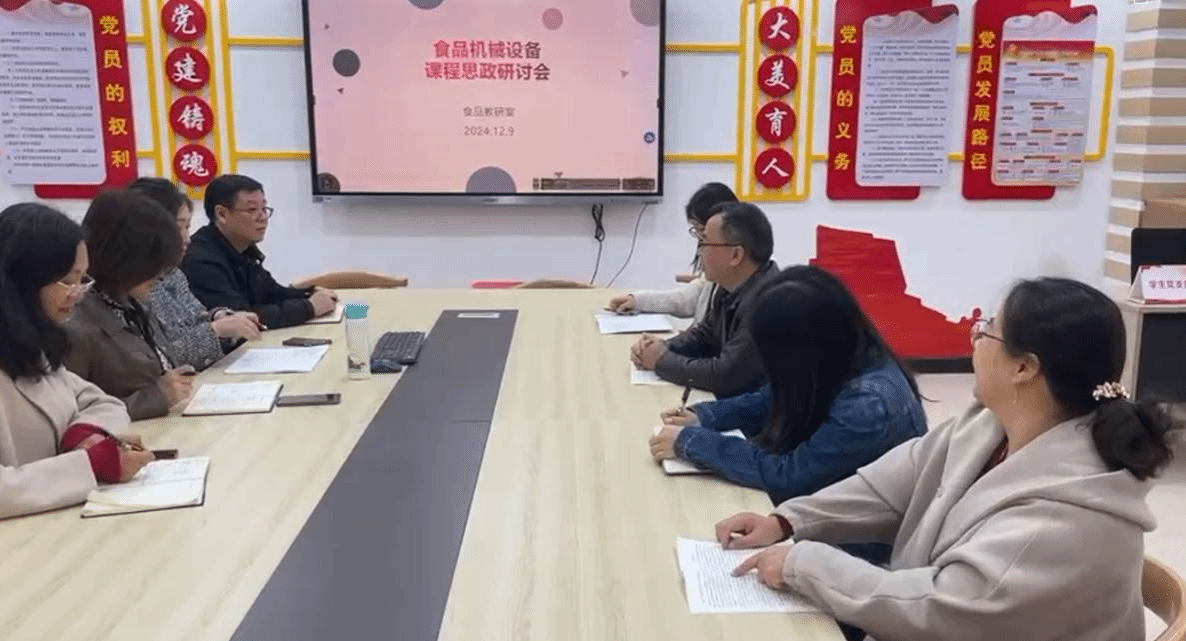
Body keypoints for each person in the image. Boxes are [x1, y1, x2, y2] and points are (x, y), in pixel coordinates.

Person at [716, 277, 1182, 641]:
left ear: (1024, 367)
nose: (974, 338)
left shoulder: (1065, 518)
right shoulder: (989, 426)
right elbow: (899, 479)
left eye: (987, 330)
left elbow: (941, 608)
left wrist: (804, 563)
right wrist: (789, 520)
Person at [649, 265, 927, 507]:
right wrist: (705, 416)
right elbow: (775, 396)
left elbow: (789, 476)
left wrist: (692, 442)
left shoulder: (866, 406)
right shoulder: (846, 353)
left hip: (854, 538)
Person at [0, 203, 155, 519]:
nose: (77, 293)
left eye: (82, 280)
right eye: (67, 280)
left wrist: (86, 436)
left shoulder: (33, 344)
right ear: (24, 278)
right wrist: (90, 464)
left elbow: (102, 402)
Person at [64, 190, 195, 421]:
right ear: (125, 259)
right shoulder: (74, 321)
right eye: (152, 264)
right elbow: (72, 416)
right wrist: (156, 397)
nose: (159, 275)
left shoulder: (133, 303)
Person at [631, 201, 779, 398]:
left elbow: (723, 375)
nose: (699, 251)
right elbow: (703, 337)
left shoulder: (768, 304)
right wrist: (661, 347)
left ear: (735, 255)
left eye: (704, 242)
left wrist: (661, 361)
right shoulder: (728, 287)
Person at [128, 177, 262, 371]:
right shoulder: (133, 285)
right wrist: (216, 330)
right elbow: (161, 357)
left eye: (188, 227)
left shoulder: (173, 273)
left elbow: (194, 320)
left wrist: (218, 316)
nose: (187, 238)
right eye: (178, 227)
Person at [181, 174, 337, 329]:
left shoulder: (242, 248)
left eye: (264, 208)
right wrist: (309, 307)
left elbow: (271, 293)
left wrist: (309, 293)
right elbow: (240, 317)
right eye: (252, 209)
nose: (262, 217)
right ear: (222, 214)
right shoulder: (200, 260)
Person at [607, 182, 737, 321]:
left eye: (700, 230)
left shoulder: (739, 290)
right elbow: (686, 299)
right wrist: (637, 301)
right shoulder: (715, 278)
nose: (700, 247)